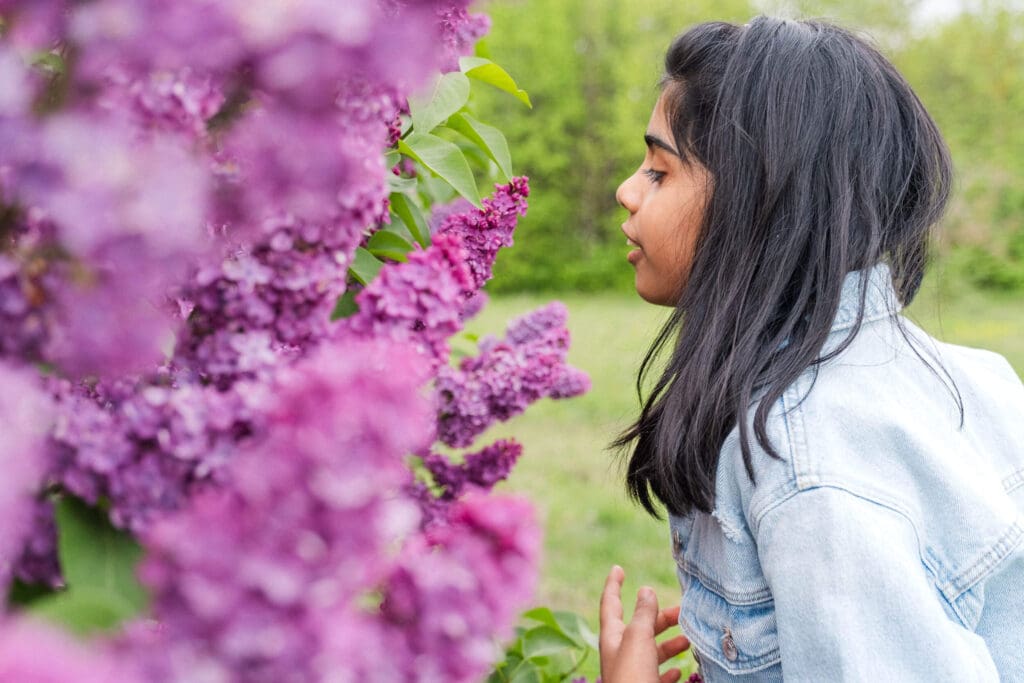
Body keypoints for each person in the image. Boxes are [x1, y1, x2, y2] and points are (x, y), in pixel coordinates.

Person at [598, 16, 1024, 683]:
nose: (626, 190)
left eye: (659, 170)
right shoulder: (979, 378)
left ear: (755, 198)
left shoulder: (808, 468)